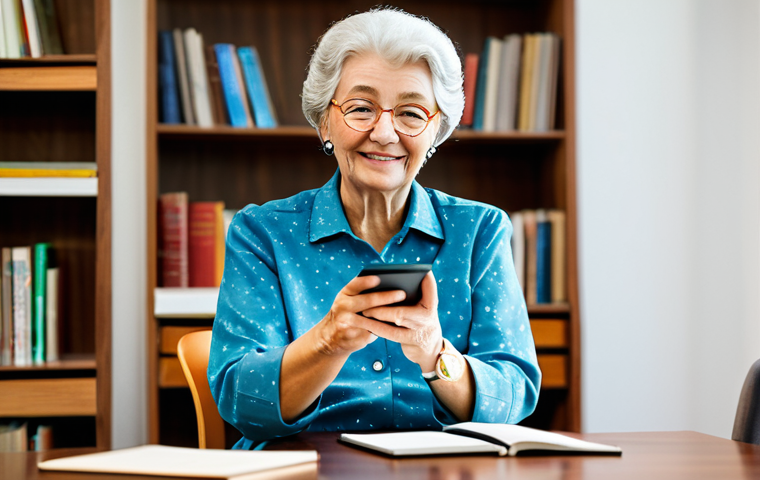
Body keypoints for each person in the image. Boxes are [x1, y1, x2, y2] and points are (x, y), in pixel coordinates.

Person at [208, 7, 541, 450]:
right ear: (324, 121)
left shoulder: (480, 230)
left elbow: (512, 396)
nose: (385, 133)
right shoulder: (261, 233)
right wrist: (328, 341)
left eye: (410, 113)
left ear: (436, 130)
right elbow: (240, 402)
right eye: (361, 108)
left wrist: (434, 353)